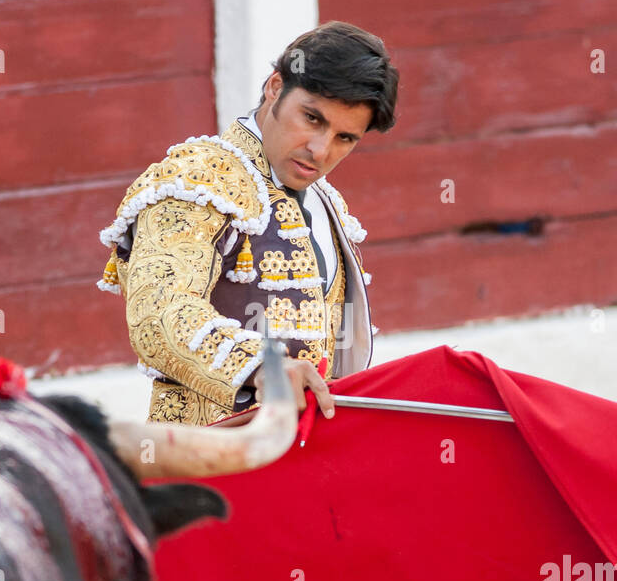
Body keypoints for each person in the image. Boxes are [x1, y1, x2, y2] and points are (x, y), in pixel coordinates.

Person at [96, 21, 399, 425]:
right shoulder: (198, 179)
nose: (320, 150)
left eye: (345, 138)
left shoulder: (328, 202)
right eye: (312, 118)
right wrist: (262, 367)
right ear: (275, 87)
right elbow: (158, 316)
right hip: (210, 455)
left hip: (302, 452)